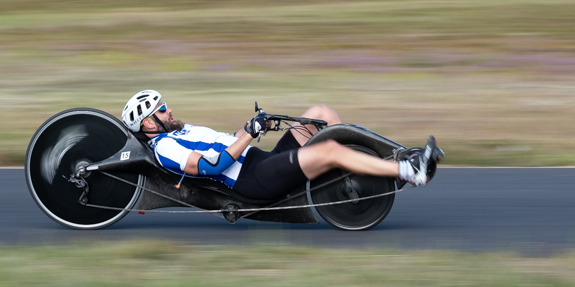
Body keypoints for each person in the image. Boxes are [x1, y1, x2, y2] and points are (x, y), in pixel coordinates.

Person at [121, 89, 441, 202]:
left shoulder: (181, 130)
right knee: (329, 151)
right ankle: (411, 172)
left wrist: (257, 125)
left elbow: (227, 142)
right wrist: (249, 133)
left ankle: (393, 163)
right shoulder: (165, 148)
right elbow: (211, 166)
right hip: (252, 181)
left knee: (320, 114)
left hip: (260, 160)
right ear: (149, 123)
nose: (169, 109)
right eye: (162, 109)